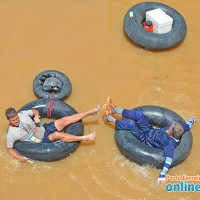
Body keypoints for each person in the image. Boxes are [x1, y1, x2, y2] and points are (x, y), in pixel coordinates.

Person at [102, 97, 195, 183]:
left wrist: (162, 175)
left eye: (171, 127)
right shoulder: (180, 128)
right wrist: (192, 120)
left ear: (171, 132)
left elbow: (169, 159)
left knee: (131, 125)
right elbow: (188, 125)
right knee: (139, 115)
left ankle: (108, 118)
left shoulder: (170, 144)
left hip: (144, 139)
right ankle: (115, 110)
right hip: (150, 130)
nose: (171, 124)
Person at [6, 105, 100, 163]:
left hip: (43, 128)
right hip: (40, 140)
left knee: (65, 120)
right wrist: (20, 158)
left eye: (16, 118)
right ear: (9, 120)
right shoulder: (11, 134)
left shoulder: (22, 114)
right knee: (57, 135)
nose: (16, 121)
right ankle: (84, 138)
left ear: (17, 115)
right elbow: (10, 150)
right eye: (13, 120)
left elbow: (35, 111)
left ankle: (91, 112)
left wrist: (36, 116)